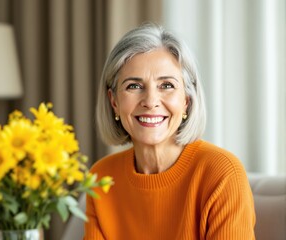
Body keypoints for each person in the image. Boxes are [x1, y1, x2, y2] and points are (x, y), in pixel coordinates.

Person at [84, 23, 256, 239]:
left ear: (186, 100)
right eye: (134, 86)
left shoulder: (222, 173)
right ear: (114, 102)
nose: (150, 101)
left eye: (166, 85)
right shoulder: (102, 177)